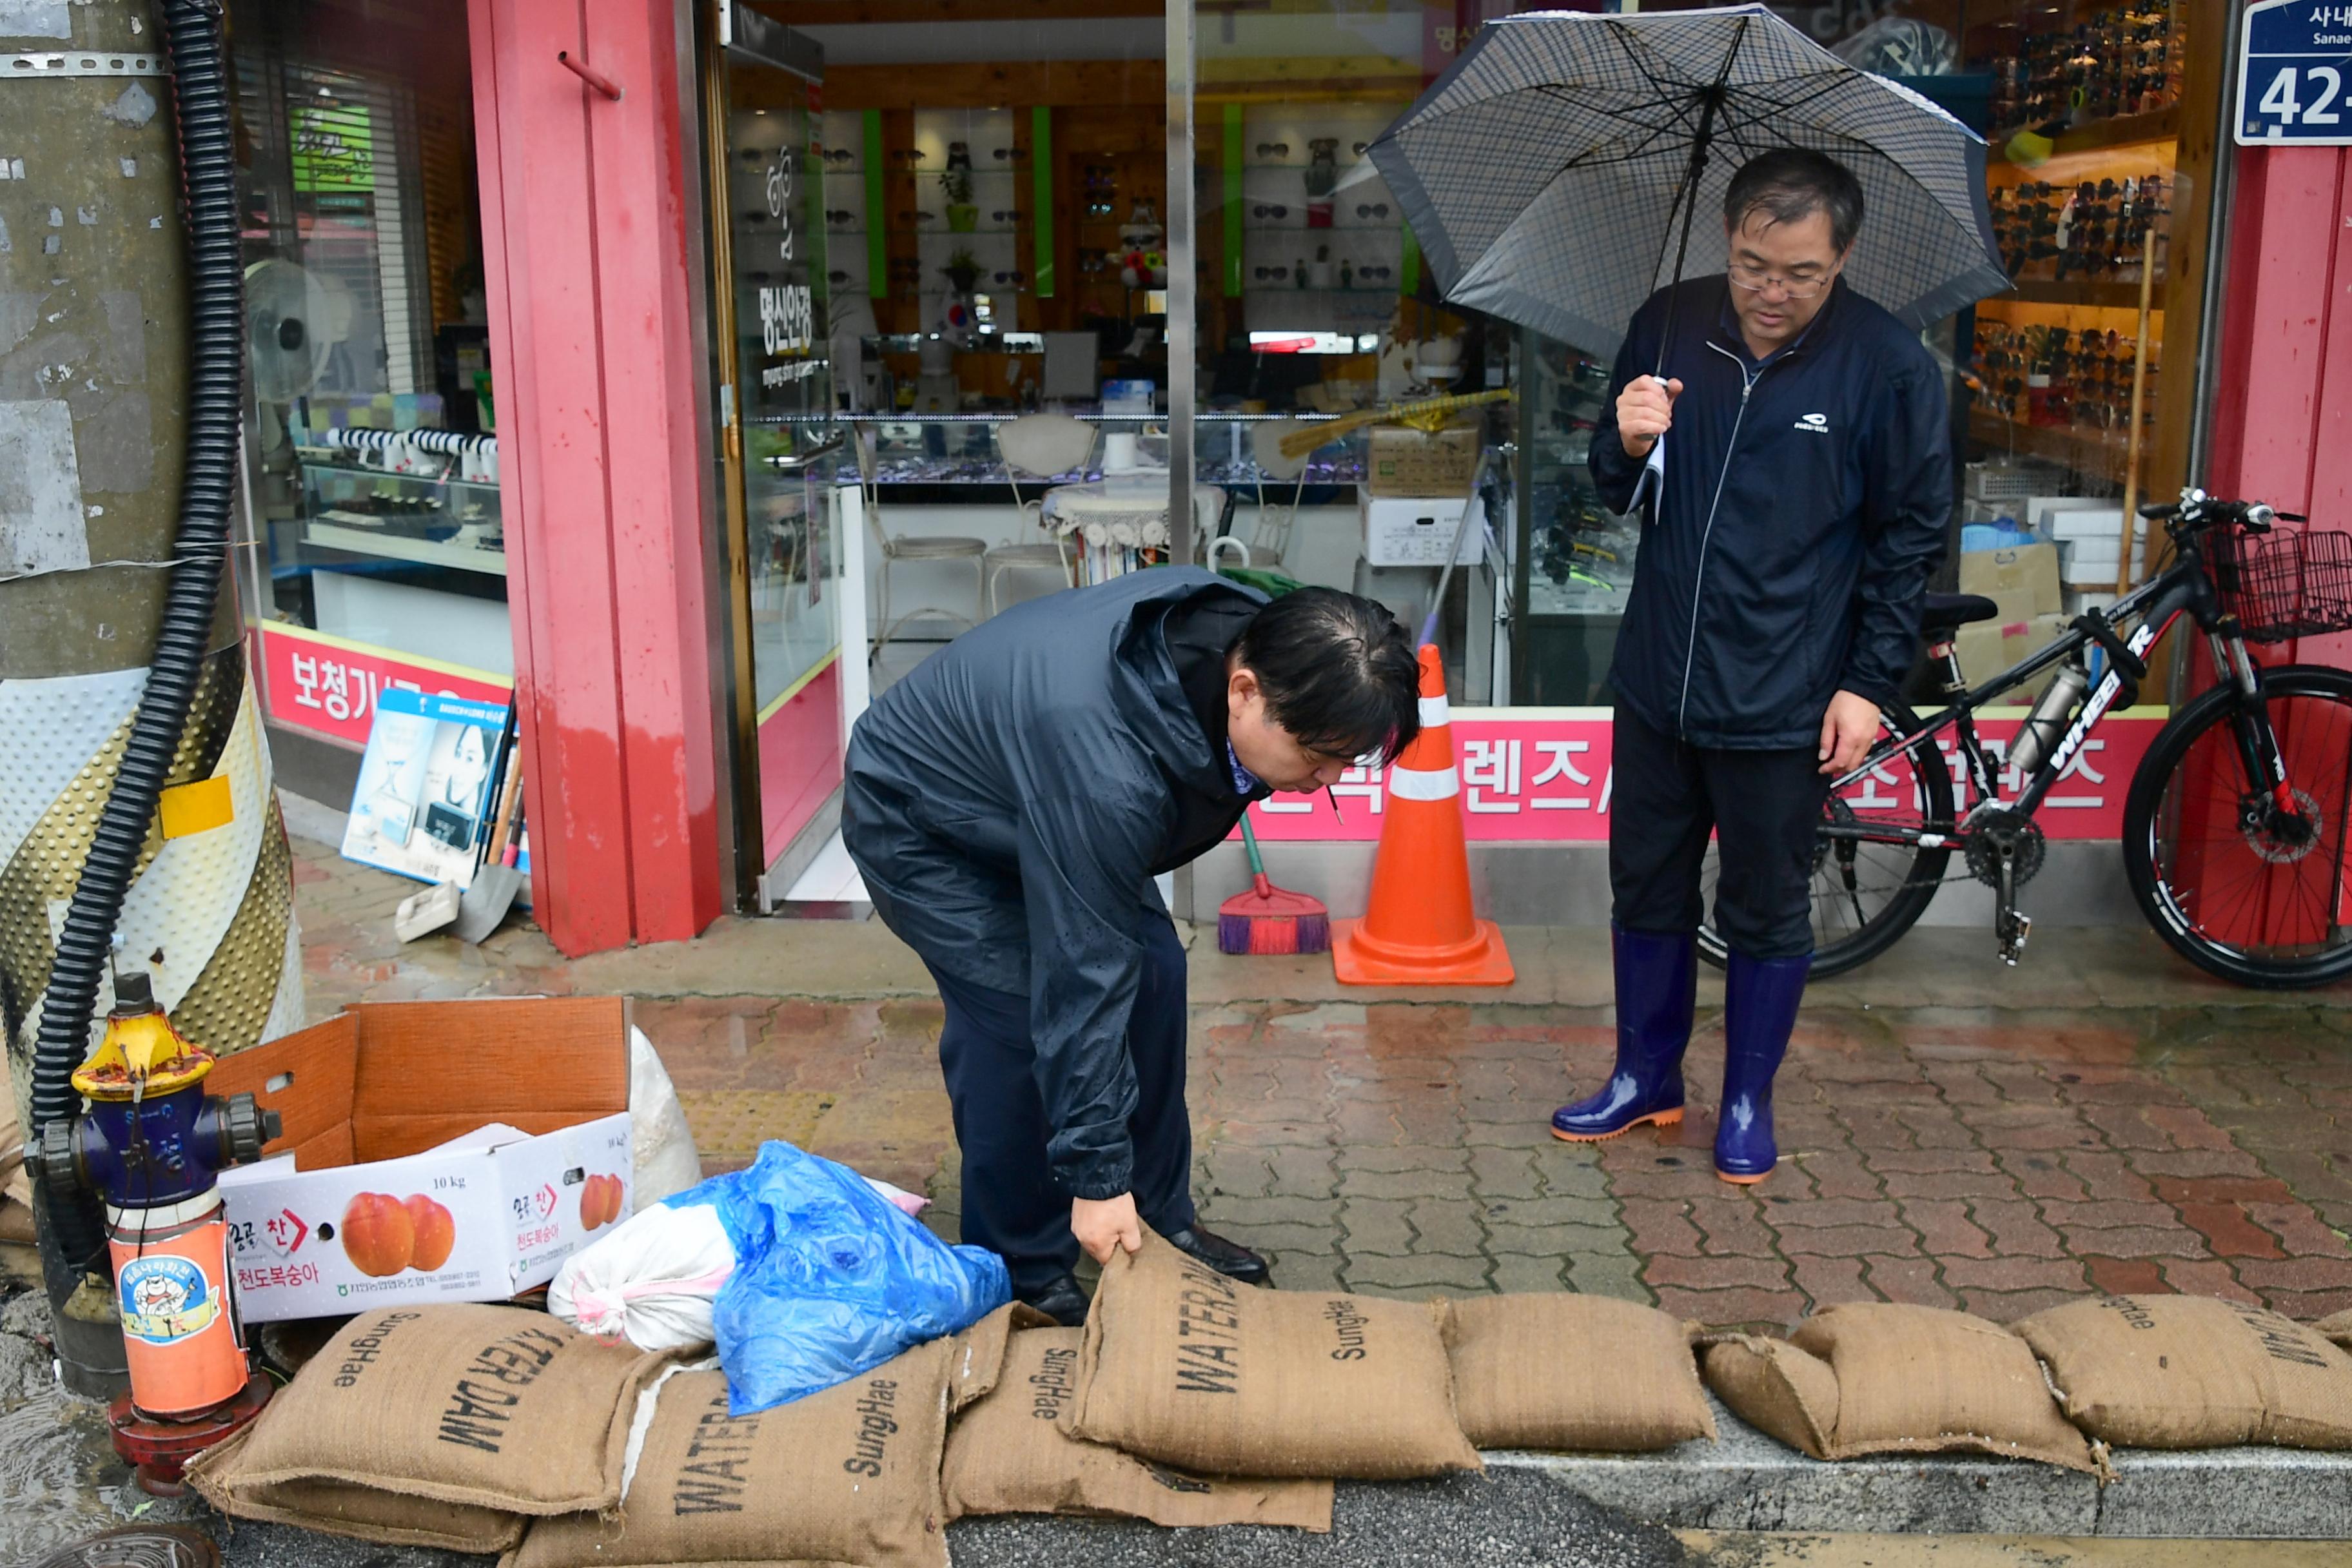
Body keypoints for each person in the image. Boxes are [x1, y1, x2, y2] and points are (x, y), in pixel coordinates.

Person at [843, 571, 1421, 1323]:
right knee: (1020, 1017)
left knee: (1154, 969)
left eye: (1352, 758)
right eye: (1318, 753)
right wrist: (1093, 1173)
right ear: (1243, 689)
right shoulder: (1106, 763)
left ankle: (1157, 1217)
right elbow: (1081, 975)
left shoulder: (1280, 636)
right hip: (925, 814)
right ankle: (1024, 1264)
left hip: (1038, 791)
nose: (1331, 777)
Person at [1553, 148, 1950, 1184]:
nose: (1771, 293)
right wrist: (1629, 444)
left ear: (1843, 257)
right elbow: (1609, 488)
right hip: (1656, 678)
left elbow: (1911, 541)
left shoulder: (1889, 365)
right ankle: (1646, 1077)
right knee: (1644, 886)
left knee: (1766, 906)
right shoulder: (1670, 322)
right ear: (1725, 242)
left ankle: (1744, 1099)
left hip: (1787, 693)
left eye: (1800, 273)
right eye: (1751, 265)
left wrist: (1870, 685)